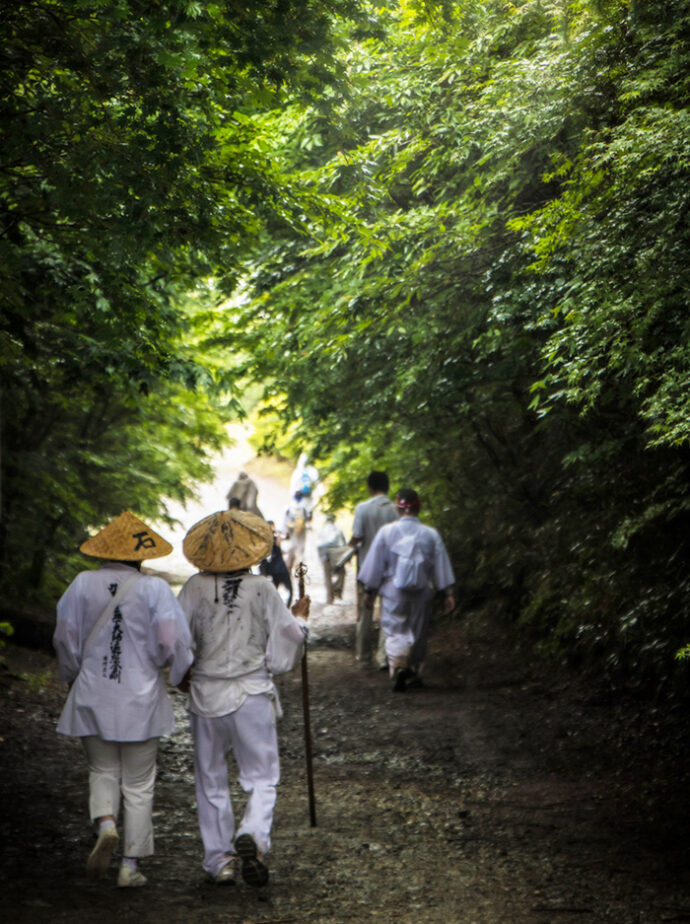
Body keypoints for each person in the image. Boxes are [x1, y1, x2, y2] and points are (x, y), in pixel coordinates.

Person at [53, 510, 194, 887]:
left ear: (103, 552)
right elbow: (171, 642)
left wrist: (71, 676)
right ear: (140, 555)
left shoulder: (81, 584)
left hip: (93, 691)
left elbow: (65, 637)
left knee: (101, 770)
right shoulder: (155, 589)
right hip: (141, 696)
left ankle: (106, 823)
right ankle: (130, 865)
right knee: (139, 782)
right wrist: (171, 670)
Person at [178, 509, 310, 886]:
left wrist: (180, 673)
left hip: (206, 693)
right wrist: (299, 617)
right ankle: (252, 833)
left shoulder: (194, 587)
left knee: (210, 779)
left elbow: (174, 639)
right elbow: (288, 642)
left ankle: (220, 860)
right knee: (262, 776)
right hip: (252, 692)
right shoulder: (263, 588)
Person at [358, 488, 455, 692]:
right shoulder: (430, 534)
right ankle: (415, 671)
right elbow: (441, 564)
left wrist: (369, 591)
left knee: (394, 630)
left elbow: (375, 564)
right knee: (418, 632)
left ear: (398, 508)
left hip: (393, 590)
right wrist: (448, 592)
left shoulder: (387, 532)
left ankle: (399, 665)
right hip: (421, 591)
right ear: (418, 507)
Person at [349, 471, 398, 667]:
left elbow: (357, 536)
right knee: (388, 612)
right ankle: (384, 657)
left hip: (367, 569)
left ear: (370, 487)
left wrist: (350, 544)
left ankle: (363, 655)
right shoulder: (395, 511)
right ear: (387, 487)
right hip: (390, 569)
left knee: (365, 613)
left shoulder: (362, 508)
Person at [259, 520, 293, 606]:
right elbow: (280, 541)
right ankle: (284, 608)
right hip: (279, 568)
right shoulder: (273, 538)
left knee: (274, 591)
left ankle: (274, 608)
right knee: (289, 591)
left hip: (273, 569)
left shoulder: (265, 539)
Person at [316, 514, 348, 604]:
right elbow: (344, 543)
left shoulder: (322, 531)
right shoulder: (338, 529)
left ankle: (329, 598)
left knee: (327, 577)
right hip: (337, 555)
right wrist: (346, 558)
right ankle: (337, 590)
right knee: (342, 573)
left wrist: (321, 558)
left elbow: (318, 545)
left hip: (325, 555)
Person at [282, 491, 309, 573]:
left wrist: (285, 532)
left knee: (290, 548)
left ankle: (288, 568)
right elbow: (307, 518)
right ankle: (300, 569)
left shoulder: (289, 507)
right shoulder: (304, 507)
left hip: (291, 531)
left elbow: (285, 521)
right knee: (300, 550)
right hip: (301, 532)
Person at [289, 453, 319, 521]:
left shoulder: (298, 471)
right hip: (307, 498)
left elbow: (293, 485)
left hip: (300, 498)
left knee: (292, 512)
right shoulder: (313, 471)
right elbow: (316, 484)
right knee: (308, 513)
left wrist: (292, 494)